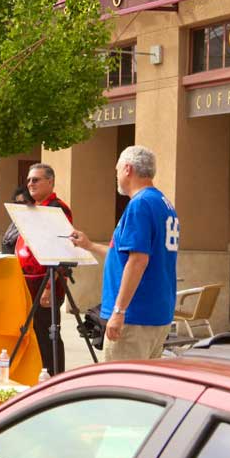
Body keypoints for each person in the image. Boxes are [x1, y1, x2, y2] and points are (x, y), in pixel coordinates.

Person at [71, 146, 179, 362]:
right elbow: (123, 254)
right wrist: (90, 245)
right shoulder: (162, 202)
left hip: (135, 316)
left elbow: (138, 260)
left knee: (123, 387)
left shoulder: (139, 205)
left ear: (128, 169)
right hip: (156, 313)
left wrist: (119, 311)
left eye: (117, 169)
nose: (117, 175)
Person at [15, 163, 72, 376]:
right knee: (35, 334)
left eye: (36, 179)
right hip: (27, 281)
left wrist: (49, 287)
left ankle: (55, 377)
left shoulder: (57, 208)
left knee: (49, 333)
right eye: (29, 180)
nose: (30, 183)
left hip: (46, 282)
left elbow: (60, 250)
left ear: (50, 181)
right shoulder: (35, 207)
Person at [2, 185, 34, 254]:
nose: (19, 206)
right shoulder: (14, 223)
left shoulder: (34, 225)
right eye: (16, 203)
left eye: (23, 203)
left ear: (32, 203)